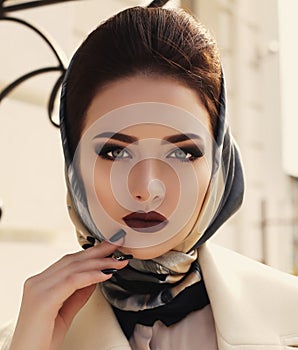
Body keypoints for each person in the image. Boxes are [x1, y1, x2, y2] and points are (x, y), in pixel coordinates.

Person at [1, 3, 298, 350]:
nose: (145, 189)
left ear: (219, 165)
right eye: (115, 152)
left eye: (182, 153)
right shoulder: (24, 340)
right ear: (74, 166)